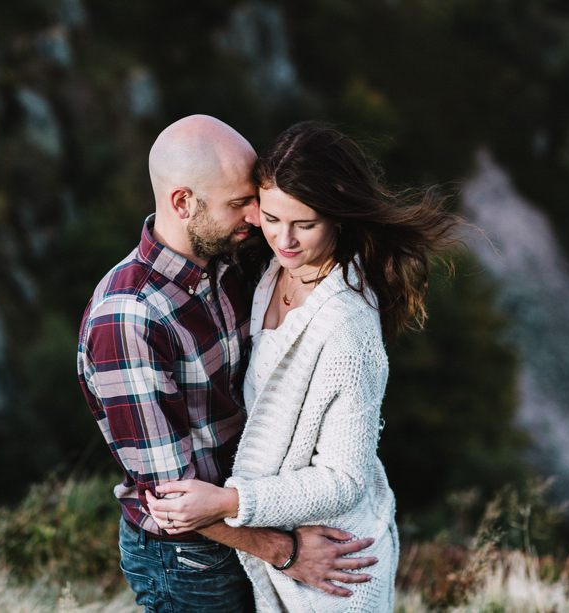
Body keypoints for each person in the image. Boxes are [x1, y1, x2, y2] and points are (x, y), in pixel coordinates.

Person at [147, 121, 461, 611]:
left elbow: (345, 481)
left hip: (335, 563)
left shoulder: (346, 327)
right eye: (271, 218)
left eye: (306, 224)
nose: (284, 240)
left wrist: (230, 503)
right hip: (282, 548)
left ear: (337, 220)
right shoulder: (269, 268)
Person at [77, 115, 378, 613]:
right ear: (183, 202)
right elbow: (172, 497)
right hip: (192, 556)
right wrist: (287, 553)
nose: (257, 219)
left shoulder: (229, 260)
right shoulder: (130, 319)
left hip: (254, 521)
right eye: (241, 204)